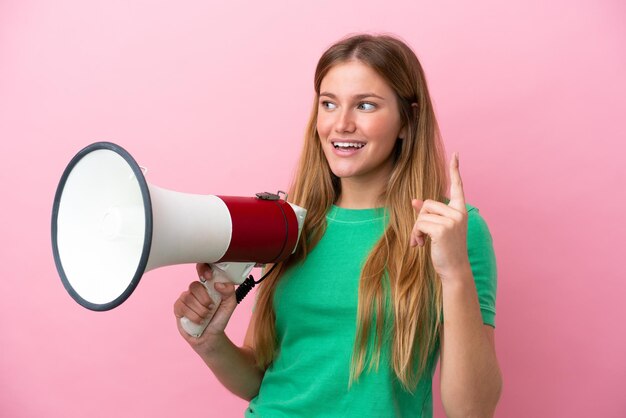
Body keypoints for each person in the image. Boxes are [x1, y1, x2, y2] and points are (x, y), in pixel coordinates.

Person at [173, 33, 502, 417]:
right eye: (328, 104)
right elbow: (266, 380)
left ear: (406, 121)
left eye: (365, 105)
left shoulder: (451, 231)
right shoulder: (289, 225)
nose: (341, 124)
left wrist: (455, 272)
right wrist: (211, 343)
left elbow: (473, 410)